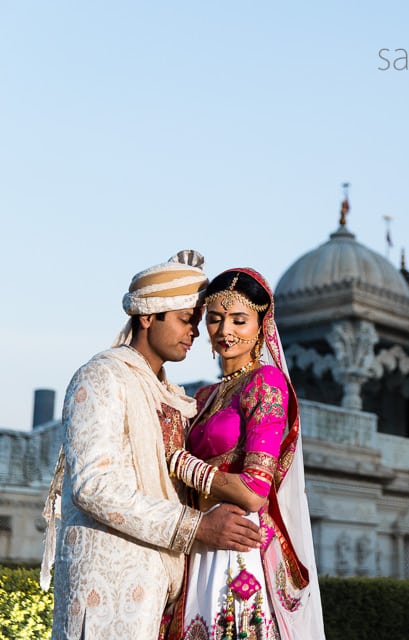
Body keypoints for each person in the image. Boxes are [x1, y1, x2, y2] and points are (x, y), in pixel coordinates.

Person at [41, 251, 264, 640]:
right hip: (106, 590)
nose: (195, 332)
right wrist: (196, 528)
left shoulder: (172, 397)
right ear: (148, 316)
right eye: (184, 320)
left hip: (162, 588)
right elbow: (93, 486)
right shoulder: (102, 376)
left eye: (196, 322)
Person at [165, 268, 325, 640]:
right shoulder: (202, 397)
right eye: (215, 319)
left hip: (239, 547)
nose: (225, 331)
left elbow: (255, 490)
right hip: (199, 538)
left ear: (261, 325)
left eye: (239, 320)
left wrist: (184, 465)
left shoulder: (266, 383)